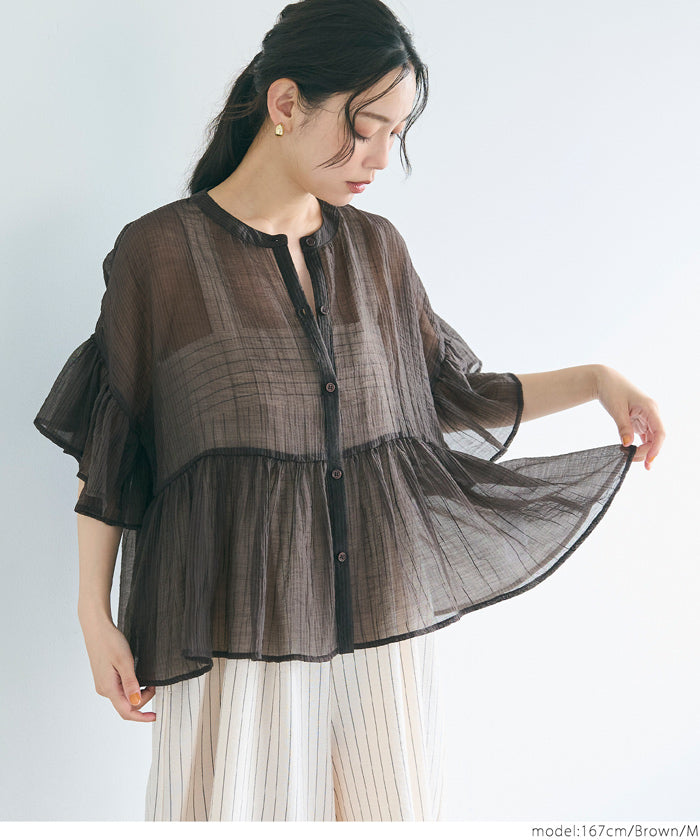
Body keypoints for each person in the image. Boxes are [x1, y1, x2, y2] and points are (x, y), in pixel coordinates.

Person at [33, 0, 665, 822]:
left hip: (378, 634)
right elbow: (117, 449)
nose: (380, 158)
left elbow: (449, 396)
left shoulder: (377, 251)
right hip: (240, 630)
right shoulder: (161, 257)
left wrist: (596, 379)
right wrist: (94, 613)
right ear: (286, 103)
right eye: (366, 129)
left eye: (397, 134)